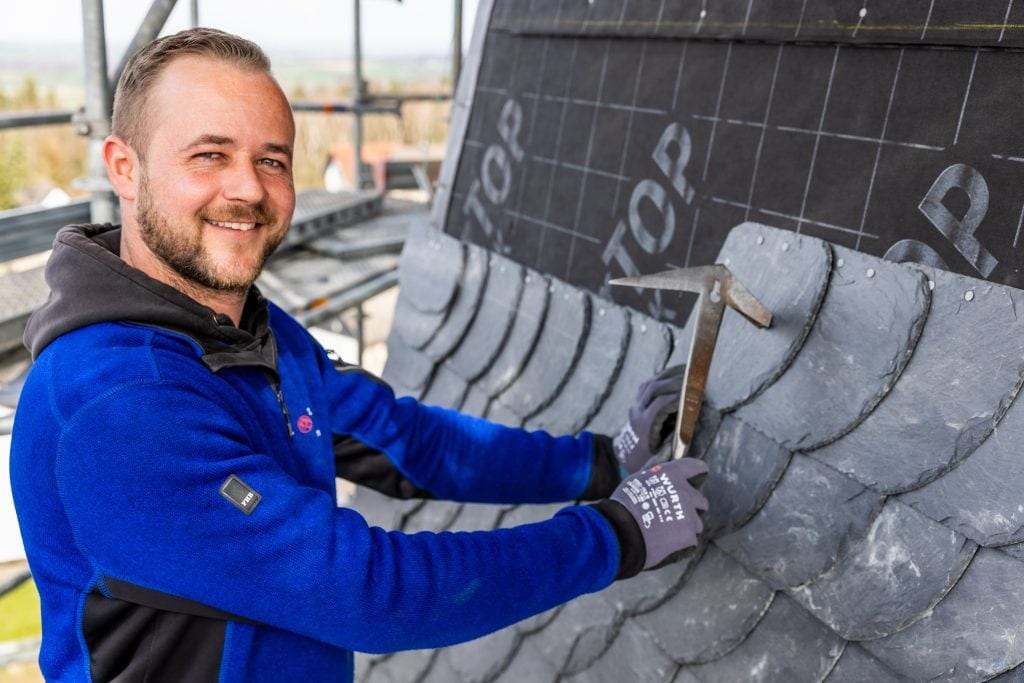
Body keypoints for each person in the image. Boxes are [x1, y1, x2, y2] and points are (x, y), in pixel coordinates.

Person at [10, 28, 708, 682]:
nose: (249, 189)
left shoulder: (251, 334)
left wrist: (602, 461)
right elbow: (366, 590)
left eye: (272, 160)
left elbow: (413, 443)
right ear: (124, 169)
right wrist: (614, 535)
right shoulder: (114, 401)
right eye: (210, 155)